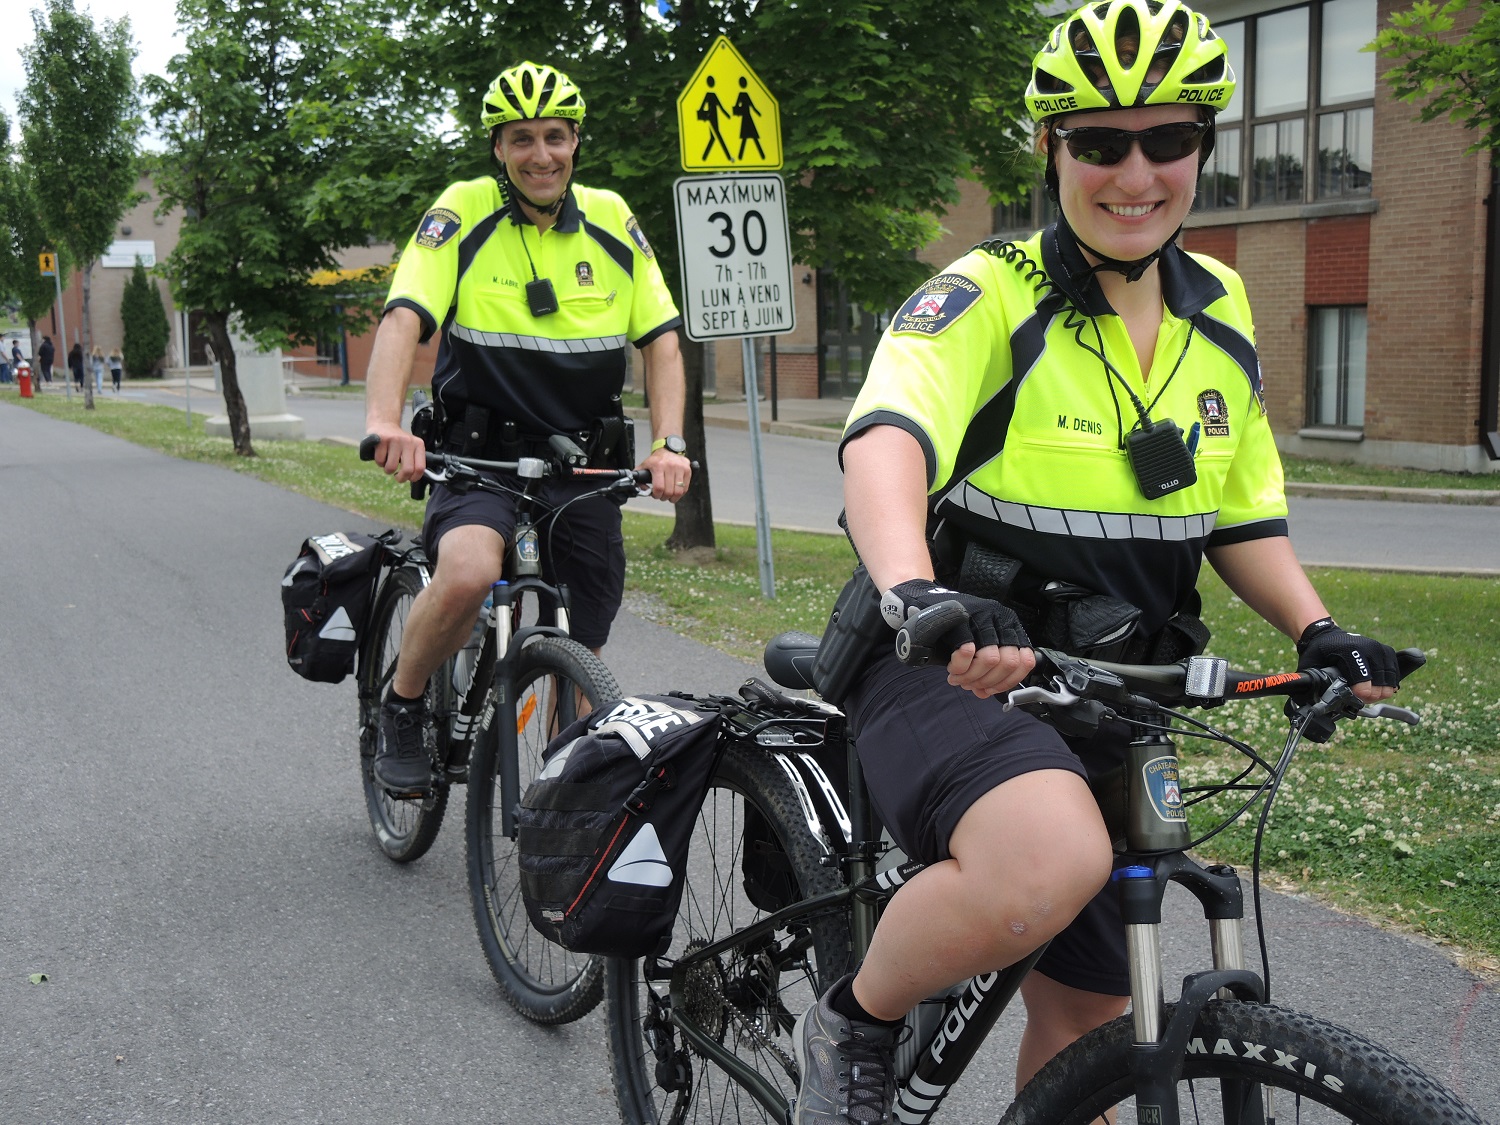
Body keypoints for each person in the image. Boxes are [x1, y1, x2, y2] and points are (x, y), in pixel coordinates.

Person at [792, 2, 1406, 1121]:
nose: (1135, 173)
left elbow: (1241, 518)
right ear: (1052, 149)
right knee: (1046, 860)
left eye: (1167, 140)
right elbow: (886, 441)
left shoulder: (1221, 304)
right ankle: (853, 1019)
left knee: (1086, 1015)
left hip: (1113, 688)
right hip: (953, 662)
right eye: (1100, 142)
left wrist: (1318, 631)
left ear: (1202, 147)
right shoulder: (987, 291)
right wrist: (916, 591)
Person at [363, 61, 692, 793]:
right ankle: (404, 704)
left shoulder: (610, 218)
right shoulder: (464, 210)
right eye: (521, 139)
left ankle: (565, 784)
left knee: (587, 632)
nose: (541, 155)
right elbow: (404, 318)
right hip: (479, 459)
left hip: (584, 465)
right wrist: (385, 421)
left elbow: (663, 341)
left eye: (555, 137)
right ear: (498, 148)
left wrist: (669, 443)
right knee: (470, 572)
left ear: (575, 142)